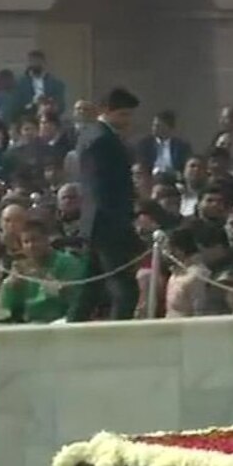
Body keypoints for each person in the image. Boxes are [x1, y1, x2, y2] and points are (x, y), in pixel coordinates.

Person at [69, 88, 143, 321]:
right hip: (108, 224)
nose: (127, 120)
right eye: (123, 114)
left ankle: (73, 325)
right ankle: (119, 338)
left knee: (91, 287)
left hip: (98, 223)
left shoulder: (94, 135)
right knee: (125, 289)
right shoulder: (102, 139)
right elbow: (102, 189)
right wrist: (123, 222)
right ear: (106, 111)